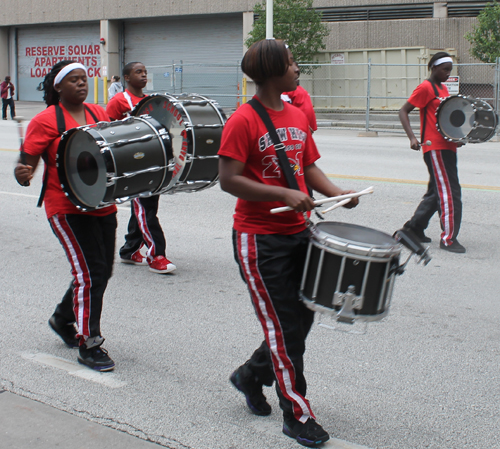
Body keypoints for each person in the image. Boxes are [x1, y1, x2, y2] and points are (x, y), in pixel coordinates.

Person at [218, 39, 358, 448]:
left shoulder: (296, 112)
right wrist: (281, 195)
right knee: (284, 331)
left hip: (299, 233)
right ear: (271, 70)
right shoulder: (243, 120)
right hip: (259, 240)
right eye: (292, 62)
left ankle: (249, 375)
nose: (297, 68)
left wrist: (337, 192)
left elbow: (306, 166)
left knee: (302, 320)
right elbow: (229, 179)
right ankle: (296, 415)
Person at [14, 60, 117, 371]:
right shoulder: (45, 121)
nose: (81, 84)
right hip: (66, 208)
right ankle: (90, 343)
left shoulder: (99, 113)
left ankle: (62, 318)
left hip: (103, 204)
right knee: (91, 274)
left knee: (102, 272)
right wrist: (23, 173)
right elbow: (26, 166)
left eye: (84, 79)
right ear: (58, 87)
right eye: (73, 80)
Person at [106, 61, 176, 274]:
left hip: (154, 163)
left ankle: (129, 251)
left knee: (146, 208)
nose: (144, 75)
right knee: (145, 209)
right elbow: (107, 132)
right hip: (133, 166)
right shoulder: (119, 101)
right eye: (138, 72)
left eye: (145, 72)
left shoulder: (151, 101)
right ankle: (157, 255)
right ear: (126, 77)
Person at [399, 51, 466, 253]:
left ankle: (413, 230)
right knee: (450, 192)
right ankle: (448, 239)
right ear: (434, 67)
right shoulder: (426, 87)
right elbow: (403, 111)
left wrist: (456, 137)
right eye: (445, 69)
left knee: (436, 192)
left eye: (450, 70)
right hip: (434, 148)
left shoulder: (443, 88)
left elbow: (444, 119)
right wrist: (412, 137)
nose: (447, 73)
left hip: (447, 146)